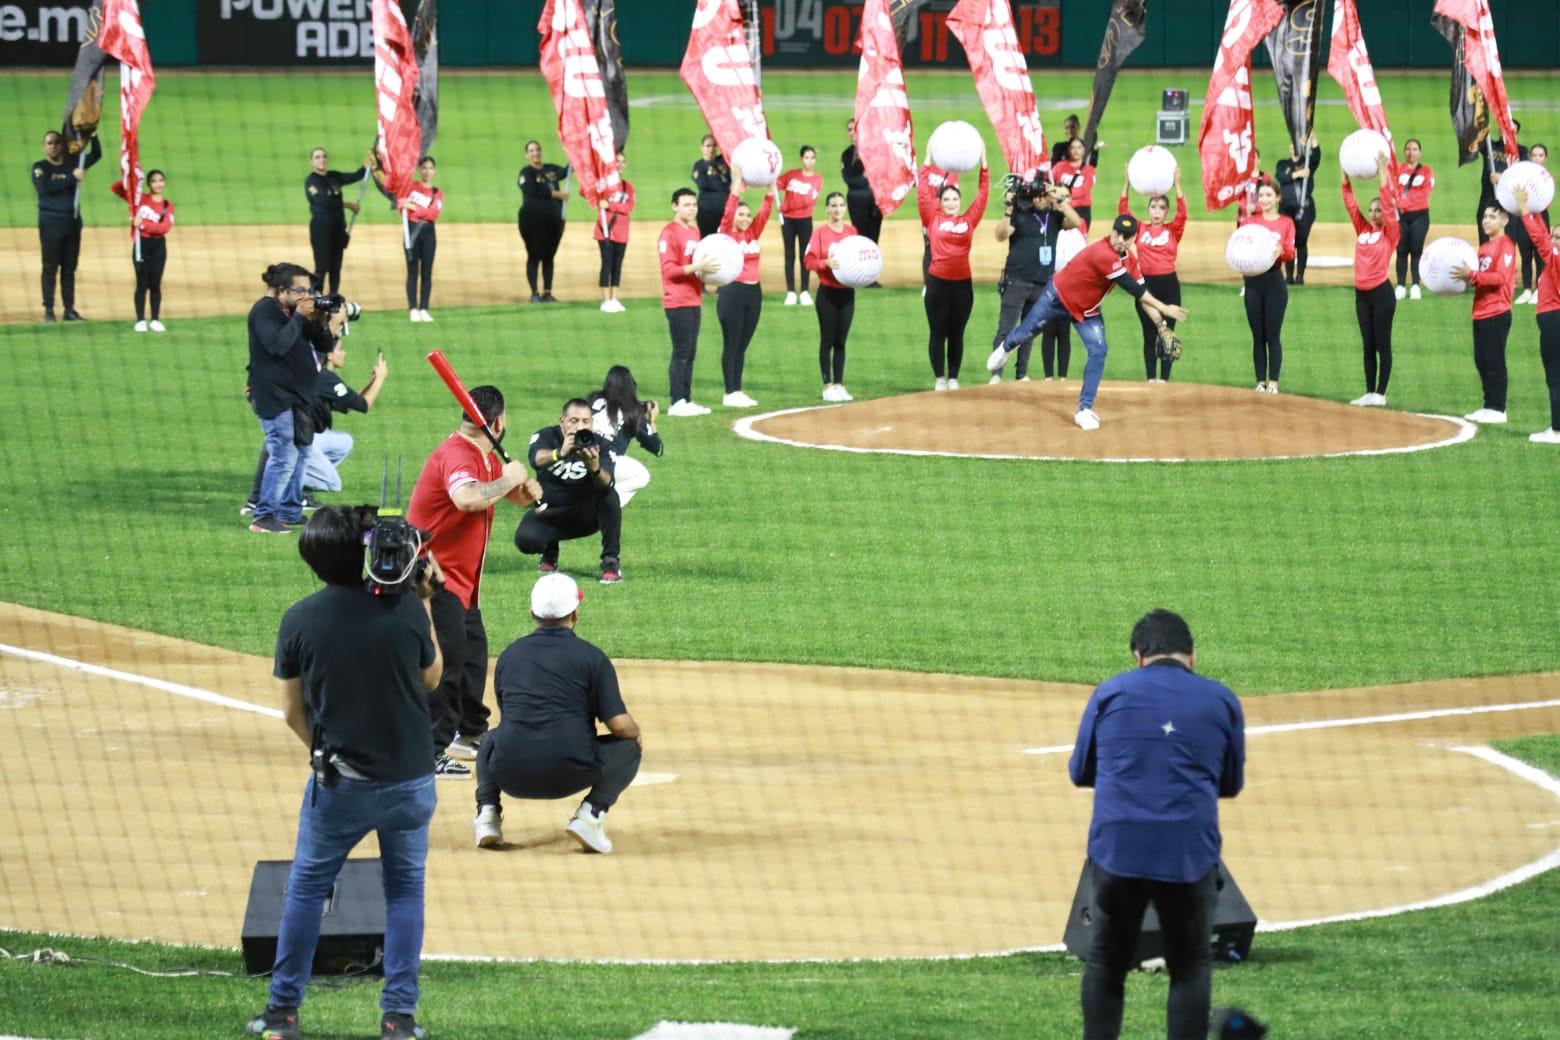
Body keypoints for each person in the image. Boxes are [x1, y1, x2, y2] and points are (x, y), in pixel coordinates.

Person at [246, 507, 444, 1040]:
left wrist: (327, 749)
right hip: (410, 785)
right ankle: (398, 1018)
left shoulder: (300, 619)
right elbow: (431, 679)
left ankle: (282, 1014)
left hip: (339, 786)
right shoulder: (404, 612)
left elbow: (291, 710)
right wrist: (423, 603)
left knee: (306, 891)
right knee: (405, 893)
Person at [1067, 609, 1245, 1040]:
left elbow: (1080, 771)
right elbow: (1230, 783)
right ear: (1192, 656)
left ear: (1138, 656)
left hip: (1118, 851)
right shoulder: (1222, 700)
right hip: (1187, 856)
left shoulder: (1110, 693)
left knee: (1107, 963)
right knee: (1189, 966)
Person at [407, 385, 541, 776]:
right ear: (498, 421)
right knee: (447, 664)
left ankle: (469, 732)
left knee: (472, 656)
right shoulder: (457, 455)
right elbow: (467, 498)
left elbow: (501, 494)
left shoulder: (484, 454)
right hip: (432, 578)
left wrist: (523, 492)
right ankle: (429, 752)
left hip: (463, 583)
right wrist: (510, 478)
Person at [471, 572, 642, 854]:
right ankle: (590, 815)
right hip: (570, 773)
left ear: (532, 613)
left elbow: (508, 715)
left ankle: (487, 814)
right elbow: (620, 726)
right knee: (628, 747)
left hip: (511, 772)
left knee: (489, 739)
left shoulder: (509, 656)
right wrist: (637, 735)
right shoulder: (592, 658)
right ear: (575, 614)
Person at [988, 214, 1188, 430]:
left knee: (1098, 351)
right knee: (1026, 332)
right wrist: (1166, 308)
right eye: (1118, 233)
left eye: (1127, 236)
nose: (1120, 239)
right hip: (1056, 298)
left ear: (1133, 240)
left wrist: (1161, 325)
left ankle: (1084, 409)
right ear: (1112, 231)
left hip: (1087, 310)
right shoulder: (1103, 253)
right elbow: (1137, 291)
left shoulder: (1130, 260)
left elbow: (1144, 296)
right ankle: (1006, 347)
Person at [246, 263, 337, 534]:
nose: (307, 295)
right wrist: (299, 317)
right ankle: (263, 516)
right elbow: (276, 345)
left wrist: (319, 320)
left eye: (309, 290)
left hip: (299, 396)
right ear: (282, 290)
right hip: (274, 397)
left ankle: (289, 511)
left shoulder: (294, 311)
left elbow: (325, 347)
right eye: (301, 290)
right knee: (284, 453)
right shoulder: (265, 310)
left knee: (303, 452)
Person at [515, 398, 623, 584]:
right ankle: (550, 550)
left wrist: (594, 467)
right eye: (574, 421)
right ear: (562, 421)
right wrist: (560, 453)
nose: (579, 427)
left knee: (610, 496)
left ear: (592, 423)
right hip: (549, 512)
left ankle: (610, 561)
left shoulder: (602, 444)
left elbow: (606, 483)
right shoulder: (546, 436)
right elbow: (536, 459)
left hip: (585, 515)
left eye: (585, 421)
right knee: (525, 540)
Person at [990, 180, 1082, 383]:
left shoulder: (1054, 217)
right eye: (1037, 195)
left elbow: (1076, 222)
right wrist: (1008, 210)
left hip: (1041, 285)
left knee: (1029, 331)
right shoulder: (1020, 214)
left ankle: (1021, 374)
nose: (1040, 198)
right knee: (1005, 329)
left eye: (1043, 195)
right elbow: (1000, 235)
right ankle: (996, 375)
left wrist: (1059, 199)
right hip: (1016, 282)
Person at [920, 156, 990, 391]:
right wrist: (927, 162)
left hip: (962, 285)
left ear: (960, 201)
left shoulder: (969, 220)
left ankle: (954, 378)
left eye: (954, 199)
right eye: (946, 199)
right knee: (938, 332)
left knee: (957, 333)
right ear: (939, 201)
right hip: (937, 284)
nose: (950, 203)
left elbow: (982, 197)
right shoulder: (932, 218)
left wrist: (984, 167)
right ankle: (940, 378)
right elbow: (922, 193)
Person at [1120, 165, 1188, 382]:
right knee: (1149, 335)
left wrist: (1177, 185)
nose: (1157, 211)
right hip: (1145, 286)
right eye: (1153, 207)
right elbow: (1123, 213)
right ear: (1148, 210)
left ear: (1166, 211)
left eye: (1161, 207)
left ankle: (1165, 380)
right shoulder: (1139, 229)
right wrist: (1126, 184)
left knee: (1167, 335)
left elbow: (1183, 213)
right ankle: (1151, 379)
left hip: (1169, 286)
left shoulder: (1173, 230)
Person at [1342, 154, 1400, 408]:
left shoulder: (1390, 233)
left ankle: (1381, 393)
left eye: (1378, 210)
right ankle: (1369, 392)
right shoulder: (1363, 230)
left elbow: (1388, 204)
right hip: (1361, 295)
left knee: (1382, 343)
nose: (1375, 212)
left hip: (1381, 294)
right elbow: (1350, 204)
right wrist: (1344, 172)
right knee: (1367, 344)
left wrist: (1382, 172)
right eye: (1372, 209)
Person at [1452, 205, 1518, 425]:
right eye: (1485, 216)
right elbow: (1479, 278)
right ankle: (1488, 405)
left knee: (1494, 361)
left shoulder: (1506, 245)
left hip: (1497, 311)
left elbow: (1500, 278)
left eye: (1492, 217)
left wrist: (1472, 274)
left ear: (1504, 221)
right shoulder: (1483, 248)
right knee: (1481, 360)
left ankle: (1499, 409)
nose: (1486, 220)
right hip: (1480, 311)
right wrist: (1462, 279)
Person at [658, 188, 719, 416]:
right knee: (681, 352)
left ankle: (686, 399)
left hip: (694, 300)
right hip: (677, 301)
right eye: (686, 205)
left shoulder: (694, 232)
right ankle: (676, 402)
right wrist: (697, 267)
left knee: (691, 352)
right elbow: (669, 271)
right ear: (674, 206)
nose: (691, 208)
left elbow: (698, 268)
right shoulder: (669, 233)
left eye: (694, 205)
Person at [301, 338, 388, 494]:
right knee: (333, 485)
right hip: (305, 440)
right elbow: (364, 405)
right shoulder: (326, 379)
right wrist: (380, 378)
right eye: (340, 349)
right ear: (329, 355)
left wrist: (373, 381)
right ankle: (293, 481)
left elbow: (350, 405)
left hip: (310, 436)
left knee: (345, 442)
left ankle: (308, 471)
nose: (344, 353)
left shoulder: (323, 376)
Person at [716, 179, 774, 408]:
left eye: (747, 215)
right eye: (741, 214)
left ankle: (737, 390)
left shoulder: (752, 234)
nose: (745, 218)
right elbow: (728, 212)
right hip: (732, 293)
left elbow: (765, 212)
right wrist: (736, 188)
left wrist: (771, 188)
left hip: (754, 293)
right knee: (732, 343)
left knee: (742, 345)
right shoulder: (726, 235)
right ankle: (729, 392)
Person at [34, 129, 101, 322]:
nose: (54, 146)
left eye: (57, 142)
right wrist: (73, 177)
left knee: (69, 268)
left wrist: (93, 135)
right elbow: (45, 189)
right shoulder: (40, 168)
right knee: (49, 268)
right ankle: (48, 310)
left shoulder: (73, 163)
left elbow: (96, 155)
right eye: (50, 143)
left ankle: (69, 309)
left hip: (72, 224)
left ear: (62, 145)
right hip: (50, 224)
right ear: (44, 146)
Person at [1512, 185, 1560, 444]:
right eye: (1555, 236)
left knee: (1555, 377)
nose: (1555, 241)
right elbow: (1544, 236)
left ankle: (1556, 431)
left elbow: (1540, 240)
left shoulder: (1555, 259)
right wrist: (1538, 209)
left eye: (1559, 238)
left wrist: (1524, 209)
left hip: (1554, 320)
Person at [1239, 183, 1296, 393]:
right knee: (1257, 336)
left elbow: (1291, 253)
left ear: (1278, 198)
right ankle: (1260, 382)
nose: (1264, 199)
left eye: (1269, 195)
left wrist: (1282, 251)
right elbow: (1239, 249)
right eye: (1261, 195)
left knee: (1273, 335)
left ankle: (1273, 382)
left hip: (1274, 283)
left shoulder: (1286, 223)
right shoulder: (1249, 221)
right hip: (1252, 283)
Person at [803, 192, 859, 402]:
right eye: (833, 205)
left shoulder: (852, 232)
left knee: (841, 341)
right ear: (826, 208)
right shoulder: (820, 233)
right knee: (827, 339)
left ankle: (839, 384)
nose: (837, 209)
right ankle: (827, 386)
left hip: (847, 293)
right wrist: (824, 263)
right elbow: (808, 261)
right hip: (827, 293)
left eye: (840, 205)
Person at [588, 366, 664, 507]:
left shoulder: (592, 398)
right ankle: (607, 503)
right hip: (605, 461)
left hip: (579, 455)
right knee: (642, 476)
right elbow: (656, 447)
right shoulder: (633, 410)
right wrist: (652, 419)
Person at [110, 168, 174, 332]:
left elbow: (164, 228)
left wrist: (143, 224)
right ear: (148, 184)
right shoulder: (139, 199)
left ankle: (155, 319)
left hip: (158, 246)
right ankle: (140, 320)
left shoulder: (168, 205)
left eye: (160, 180)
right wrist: (131, 176)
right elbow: (116, 189)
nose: (158, 184)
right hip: (141, 245)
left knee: (155, 284)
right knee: (141, 283)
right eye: (153, 181)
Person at [304, 147, 369, 297]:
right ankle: (316, 298)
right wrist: (348, 205)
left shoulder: (334, 176)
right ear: (311, 162)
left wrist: (367, 166)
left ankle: (333, 297)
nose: (322, 160)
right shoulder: (311, 181)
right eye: (317, 157)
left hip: (338, 228)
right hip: (321, 229)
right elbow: (323, 202)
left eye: (324, 156)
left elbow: (356, 176)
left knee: (336, 267)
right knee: (322, 267)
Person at [517, 140, 569, 303]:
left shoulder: (551, 169)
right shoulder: (526, 173)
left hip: (553, 221)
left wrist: (576, 155)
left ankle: (547, 293)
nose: (535, 153)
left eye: (537, 149)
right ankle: (534, 293)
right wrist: (556, 194)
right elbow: (532, 191)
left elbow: (567, 171)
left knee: (548, 256)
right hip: (531, 222)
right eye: (531, 151)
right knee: (534, 255)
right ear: (527, 155)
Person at [776, 145, 822, 305]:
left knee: (805, 255)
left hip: (804, 221)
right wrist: (770, 175)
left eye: (812, 158)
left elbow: (808, 201)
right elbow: (776, 184)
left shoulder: (817, 179)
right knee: (789, 255)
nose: (809, 161)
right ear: (801, 159)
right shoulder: (792, 175)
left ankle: (804, 291)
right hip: (787, 221)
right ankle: (790, 291)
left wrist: (785, 207)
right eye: (807, 157)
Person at [399, 156, 442, 323]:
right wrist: (416, 209)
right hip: (411, 233)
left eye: (430, 168)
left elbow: (434, 214)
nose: (427, 171)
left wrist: (413, 207)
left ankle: (424, 308)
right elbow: (400, 204)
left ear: (434, 171)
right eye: (424, 168)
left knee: (427, 272)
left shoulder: (437, 192)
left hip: (429, 234)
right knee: (412, 272)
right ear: (419, 170)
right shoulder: (410, 187)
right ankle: (413, 309)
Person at [1274, 135, 1320, 285]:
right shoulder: (1283, 164)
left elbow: (1316, 155)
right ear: (1290, 148)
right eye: (1292, 145)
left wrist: (1313, 139)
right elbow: (1281, 177)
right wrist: (1298, 174)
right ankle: (1288, 276)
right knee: (1288, 242)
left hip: (1304, 208)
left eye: (1297, 146)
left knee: (1301, 241)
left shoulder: (1307, 163)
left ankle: (1300, 276)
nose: (1294, 148)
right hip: (1286, 208)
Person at [1394, 139, 1435, 301]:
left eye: (1415, 149)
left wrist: (1404, 202)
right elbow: (1393, 190)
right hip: (1400, 216)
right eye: (1408, 149)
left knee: (1416, 250)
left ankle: (1416, 285)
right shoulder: (1397, 169)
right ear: (1404, 152)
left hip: (1420, 215)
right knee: (1401, 251)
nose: (1411, 152)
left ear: (1420, 152)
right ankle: (1401, 286)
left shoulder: (1426, 171)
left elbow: (1425, 192)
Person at [595, 151, 634, 313]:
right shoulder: (603, 185)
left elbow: (629, 207)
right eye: (616, 161)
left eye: (622, 162)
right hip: (605, 231)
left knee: (617, 265)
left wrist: (610, 206)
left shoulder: (628, 186)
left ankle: (614, 299)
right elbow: (586, 192)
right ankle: (605, 300)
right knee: (607, 264)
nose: (619, 164)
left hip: (622, 232)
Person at [841, 118, 883, 244]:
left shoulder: (875, 151)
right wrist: (868, 179)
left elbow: (881, 176)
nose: (853, 132)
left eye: (856, 128)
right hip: (856, 201)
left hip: (875, 200)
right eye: (850, 129)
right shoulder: (847, 154)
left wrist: (864, 178)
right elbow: (848, 179)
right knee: (860, 236)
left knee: (874, 236)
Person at [1051, 137, 1097, 232]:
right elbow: (1049, 181)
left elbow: (1084, 190)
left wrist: (1065, 192)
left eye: (1079, 147)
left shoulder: (1089, 170)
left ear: (1084, 150)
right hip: (1062, 209)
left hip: (1081, 211)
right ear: (1068, 150)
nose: (1076, 151)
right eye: (1073, 147)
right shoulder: (1059, 166)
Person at [691, 134, 732, 239]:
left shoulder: (724, 161)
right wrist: (722, 183)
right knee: (707, 239)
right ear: (701, 147)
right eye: (708, 146)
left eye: (714, 145)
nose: (711, 149)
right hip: (707, 210)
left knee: (726, 238)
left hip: (725, 209)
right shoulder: (699, 166)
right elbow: (703, 185)